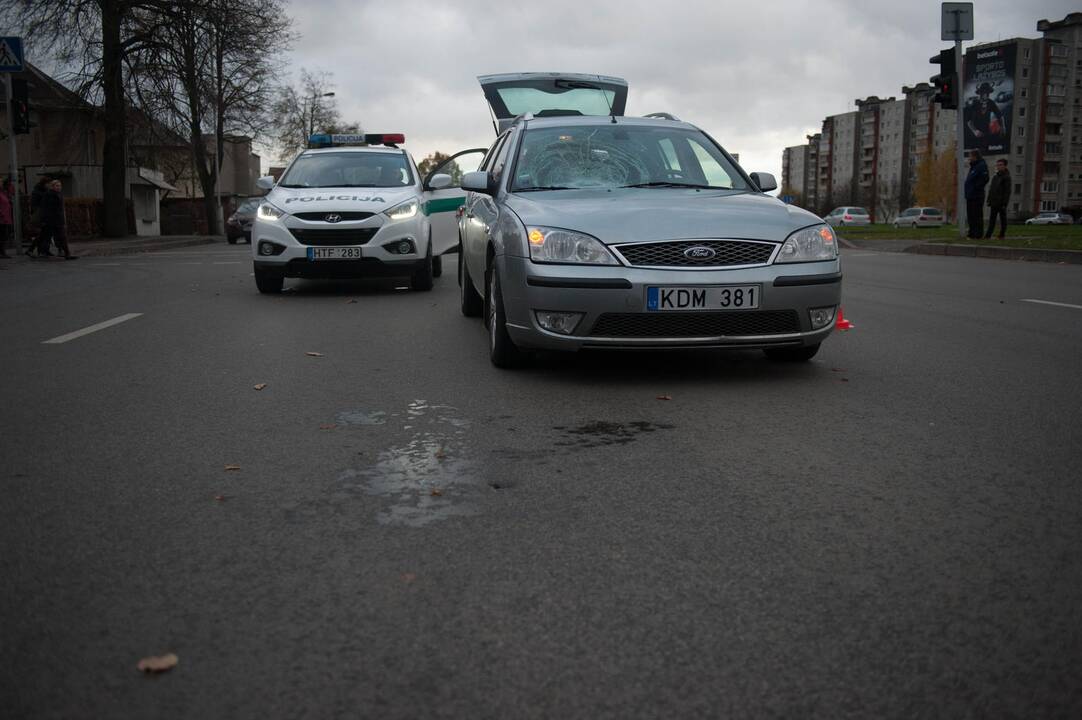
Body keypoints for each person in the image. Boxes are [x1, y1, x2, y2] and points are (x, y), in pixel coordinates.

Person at [38, 180, 76, 260]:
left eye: (59, 186)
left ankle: (65, 253)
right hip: (51, 220)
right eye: (56, 186)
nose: (58, 187)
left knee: (59, 236)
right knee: (51, 236)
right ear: (52, 186)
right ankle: (65, 253)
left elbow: (61, 209)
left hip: (57, 219)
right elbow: (45, 208)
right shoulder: (49, 195)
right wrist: (45, 219)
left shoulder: (59, 195)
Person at [964, 149, 989, 239]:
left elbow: (985, 179)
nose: (969, 158)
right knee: (971, 215)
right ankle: (972, 233)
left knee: (977, 215)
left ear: (975, 156)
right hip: (970, 196)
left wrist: (975, 188)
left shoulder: (981, 165)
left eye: (970, 156)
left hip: (977, 195)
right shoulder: (973, 166)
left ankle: (978, 234)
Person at [985, 159, 1011, 240]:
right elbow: (991, 189)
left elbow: (1007, 191)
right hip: (994, 202)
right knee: (992, 219)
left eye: (1000, 165)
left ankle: (1002, 234)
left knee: (1003, 219)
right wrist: (989, 200)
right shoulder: (995, 176)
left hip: (1001, 202)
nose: (998, 166)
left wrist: (1004, 203)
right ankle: (988, 235)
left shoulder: (1007, 177)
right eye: (997, 165)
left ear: (1005, 166)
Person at [26, 177, 50, 257]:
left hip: (44, 214)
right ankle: (33, 250)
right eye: (47, 183)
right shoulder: (37, 192)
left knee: (44, 233)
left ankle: (42, 250)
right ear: (44, 183)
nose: (48, 185)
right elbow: (34, 205)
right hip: (40, 215)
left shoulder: (45, 191)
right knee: (41, 233)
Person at [0, 178, 13, 259]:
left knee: (4, 235)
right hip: (1, 218)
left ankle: (2, 252)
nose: (1, 183)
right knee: (1, 235)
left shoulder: (2, 192)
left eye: (1, 182)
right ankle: (2, 252)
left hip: (5, 218)